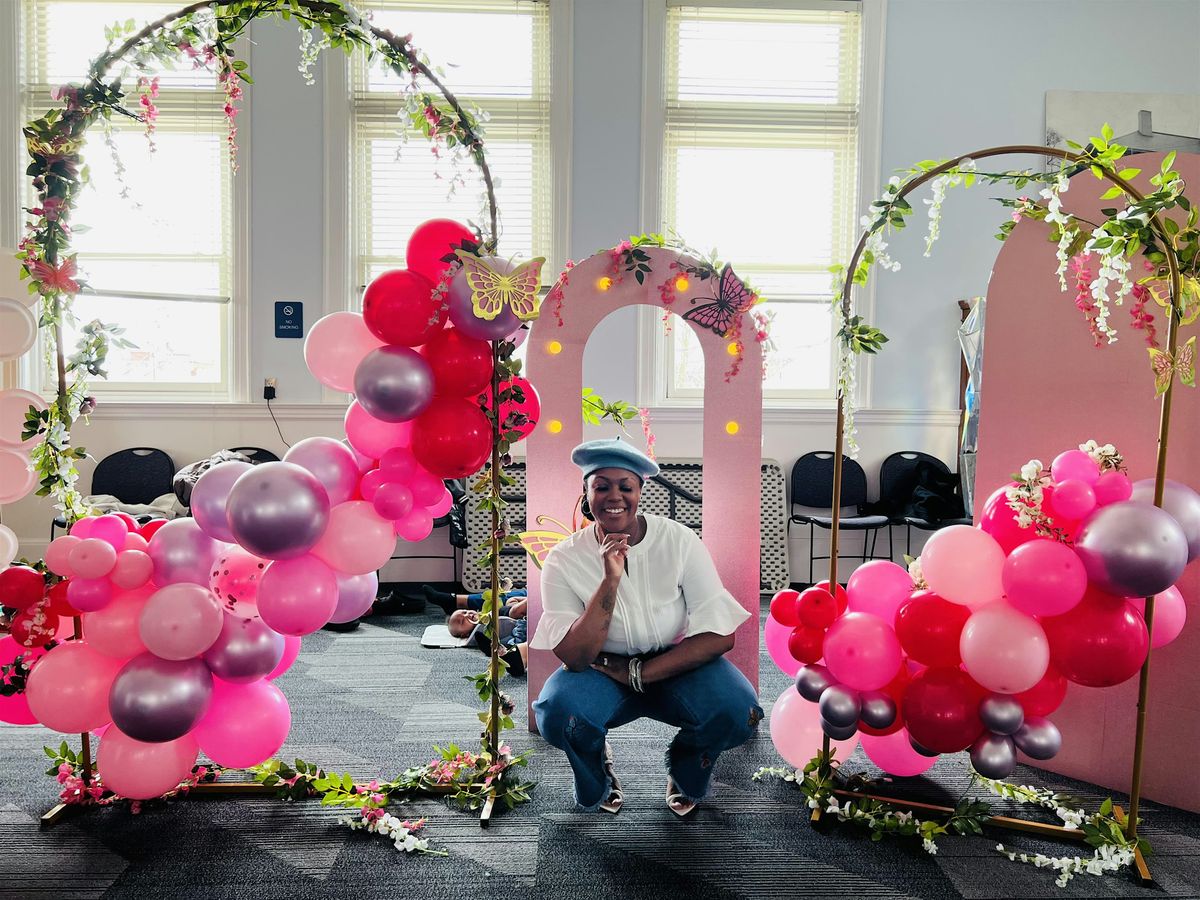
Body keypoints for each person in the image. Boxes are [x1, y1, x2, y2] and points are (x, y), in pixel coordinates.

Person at [531, 437, 762, 817]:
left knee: (739, 711)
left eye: (625, 486)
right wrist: (609, 580)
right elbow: (574, 656)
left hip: (675, 664)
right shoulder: (563, 558)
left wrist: (639, 672)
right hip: (602, 669)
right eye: (601, 486)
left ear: (640, 492)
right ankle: (597, 773)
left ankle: (686, 770)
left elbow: (721, 634)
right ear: (586, 493)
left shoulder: (678, 540)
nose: (614, 496)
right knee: (559, 715)